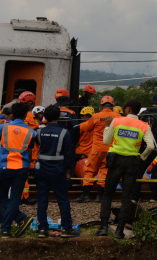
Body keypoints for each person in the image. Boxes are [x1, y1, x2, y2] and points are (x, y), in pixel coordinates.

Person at [95, 99, 155, 239]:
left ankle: (103, 227)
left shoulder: (116, 121)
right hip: (132, 161)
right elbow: (151, 146)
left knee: (108, 194)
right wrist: (142, 156)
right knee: (126, 197)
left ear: (127, 109)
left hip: (115, 160)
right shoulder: (144, 125)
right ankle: (119, 230)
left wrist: (107, 126)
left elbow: (106, 141)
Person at [34, 105, 78, 237]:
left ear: (45, 117)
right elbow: (68, 155)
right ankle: (66, 228)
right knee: (63, 199)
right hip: (58, 170)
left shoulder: (39, 132)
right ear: (58, 117)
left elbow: (37, 144)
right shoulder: (65, 133)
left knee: (42, 199)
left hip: (41, 169)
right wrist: (68, 172)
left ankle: (42, 229)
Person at [0, 102, 36, 238]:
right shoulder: (31, 132)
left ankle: (13, 223)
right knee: (14, 199)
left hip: (4, 166)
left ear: (12, 114)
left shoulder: (3, 128)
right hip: (22, 168)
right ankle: (7, 229)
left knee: (2, 197)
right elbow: (31, 151)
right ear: (26, 115)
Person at [74, 95, 117, 203]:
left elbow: (88, 128)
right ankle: (99, 196)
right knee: (105, 171)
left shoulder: (95, 116)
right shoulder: (118, 116)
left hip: (96, 149)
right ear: (112, 106)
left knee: (89, 170)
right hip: (110, 150)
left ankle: (85, 195)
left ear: (101, 106)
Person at [134, 94, 157, 203]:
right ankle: (154, 196)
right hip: (156, 149)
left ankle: (134, 197)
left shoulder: (142, 115)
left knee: (139, 172)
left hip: (142, 148)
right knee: (156, 172)